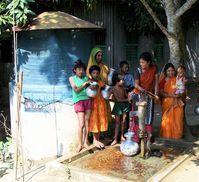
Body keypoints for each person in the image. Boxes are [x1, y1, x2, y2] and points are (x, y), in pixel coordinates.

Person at [129, 52, 159, 142]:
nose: (141, 64)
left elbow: (156, 83)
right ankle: (138, 136)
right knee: (139, 117)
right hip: (138, 96)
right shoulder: (138, 70)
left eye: (143, 62)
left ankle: (148, 136)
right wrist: (142, 90)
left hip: (149, 96)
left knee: (148, 116)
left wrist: (156, 94)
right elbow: (136, 85)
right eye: (140, 62)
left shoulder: (154, 69)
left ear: (148, 62)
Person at [69, 60, 92, 153]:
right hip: (78, 101)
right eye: (79, 69)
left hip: (87, 100)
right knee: (81, 124)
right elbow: (76, 90)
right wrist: (84, 84)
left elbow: (91, 89)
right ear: (75, 70)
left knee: (87, 123)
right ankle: (80, 144)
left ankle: (86, 142)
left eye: (82, 69)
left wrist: (92, 84)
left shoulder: (87, 78)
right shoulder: (71, 78)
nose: (81, 71)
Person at [159, 63, 184, 139]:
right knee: (167, 120)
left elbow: (181, 90)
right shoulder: (163, 80)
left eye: (172, 70)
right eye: (168, 71)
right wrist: (172, 96)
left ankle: (177, 136)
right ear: (165, 72)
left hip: (177, 102)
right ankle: (167, 136)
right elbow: (161, 93)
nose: (171, 72)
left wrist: (179, 95)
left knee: (178, 119)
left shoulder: (177, 79)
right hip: (167, 103)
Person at [88, 65, 108, 149]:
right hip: (93, 103)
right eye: (94, 73)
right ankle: (94, 140)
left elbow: (106, 90)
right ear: (91, 74)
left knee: (100, 121)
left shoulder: (100, 82)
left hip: (101, 103)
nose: (95, 74)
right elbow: (89, 93)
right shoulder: (89, 82)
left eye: (97, 73)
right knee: (94, 121)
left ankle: (98, 139)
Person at [111, 74, 131, 145]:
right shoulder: (114, 88)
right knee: (117, 122)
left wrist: (129, 95)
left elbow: (126, 95)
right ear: (117, 81)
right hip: (118, 106)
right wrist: (127, 99)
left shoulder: (123, 88)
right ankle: (115, 138)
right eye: (122, 80)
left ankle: (122, 136)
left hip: (124, 106)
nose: (123, 81)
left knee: (123, 121)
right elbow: (118, 99)